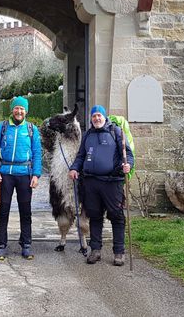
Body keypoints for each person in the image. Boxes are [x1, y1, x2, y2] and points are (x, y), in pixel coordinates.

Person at [68, 105, 133, 266]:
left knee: (116, 216)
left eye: (99, 116)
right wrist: (74, 168)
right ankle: (95, 250)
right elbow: (81, 156)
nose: (96, 118)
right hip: (91, 182)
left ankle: (119, 252)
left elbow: (128, 155)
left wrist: (128, 165)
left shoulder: (116, 132)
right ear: (91, 119)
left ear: (104, 117)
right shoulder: (88, 135)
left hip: (112, 183)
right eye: (94, 116)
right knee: (94, 216)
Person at [0, 96, 42, 260]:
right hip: (5, 175)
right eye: (17, 108)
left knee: (25, 211)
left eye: (22, 109)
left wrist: (36, 174)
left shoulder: (32, 129)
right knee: (2, 210)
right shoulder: (2, 128)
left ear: (26, 111)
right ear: (12, 109)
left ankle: (26, 244)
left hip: (25, 174)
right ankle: (1, 245)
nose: (19, 111)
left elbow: (37, 153)